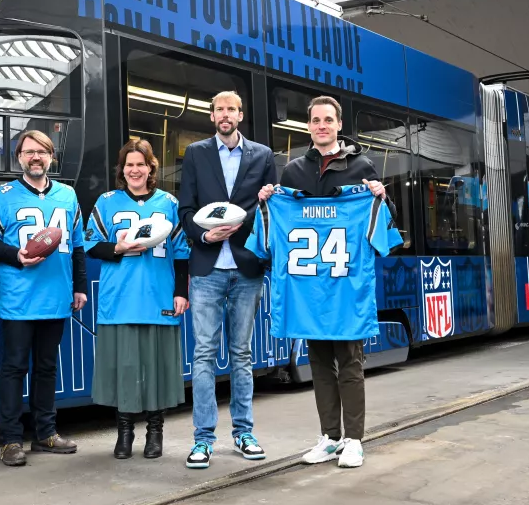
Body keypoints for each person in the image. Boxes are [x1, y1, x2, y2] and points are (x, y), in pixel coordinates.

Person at [257, 95, 388, 469]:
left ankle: (355, 439)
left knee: (350, 363)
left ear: (339, 125)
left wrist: (380, 197)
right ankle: (330, 436)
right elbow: (275, 226)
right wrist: (268, 201)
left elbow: (381, 232)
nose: (321, 126)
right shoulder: (294, 172)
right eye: (315, 120)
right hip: (309, 290)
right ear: (309, 126)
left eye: (328, 120)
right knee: (319, 364)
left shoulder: (362, 167)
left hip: (345, 288)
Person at [178, 90, 277, 469]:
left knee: (241, 354)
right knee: (203, 354)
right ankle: (202, 439)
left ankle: (244, 433)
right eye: (219, 108)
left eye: (232, 109)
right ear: (211, 115)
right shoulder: (196, 154)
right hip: (206, 268)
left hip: (247, 267)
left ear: (240, 114)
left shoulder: (263, 156)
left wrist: (258, 212)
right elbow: (186, 209)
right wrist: (204, 235)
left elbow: (270, 210)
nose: (225, 114)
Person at [0, 129, 88, 467]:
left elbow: (78, 247)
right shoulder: (2, 195)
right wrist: (17, 256)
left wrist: (79, 287)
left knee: (46, 367)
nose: (35, 157)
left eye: (41, 151)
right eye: (28, 152)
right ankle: (11, 440)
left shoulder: (68, 195)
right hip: (19, 297)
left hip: (56, 295)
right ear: (20, 158)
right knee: (14, 368)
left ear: (51, 156)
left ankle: (46, 434)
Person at [85, 139, 190, 459]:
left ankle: (155, 433)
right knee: (125, 367)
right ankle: (125, 432)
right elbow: (91, 244)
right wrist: (117, 248)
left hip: (158, 294)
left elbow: (182, 252)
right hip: (120, 297)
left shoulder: (168, 203)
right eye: (129, 164)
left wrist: (181, 292)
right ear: (122, 169)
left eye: (141, 164)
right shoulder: (107, 202)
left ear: (151, 168)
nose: (135, 170)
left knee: (157, 368)